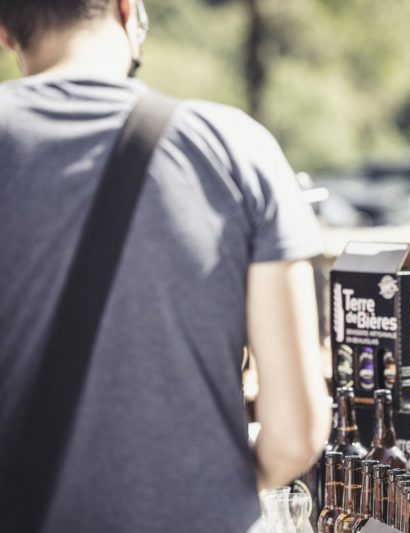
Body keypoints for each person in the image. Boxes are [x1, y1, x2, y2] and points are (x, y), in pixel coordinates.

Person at [0, 0, 330, 531]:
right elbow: (295, 433)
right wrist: (203, 490)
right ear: (128, 11)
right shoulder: (234, 148)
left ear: (6, 33)